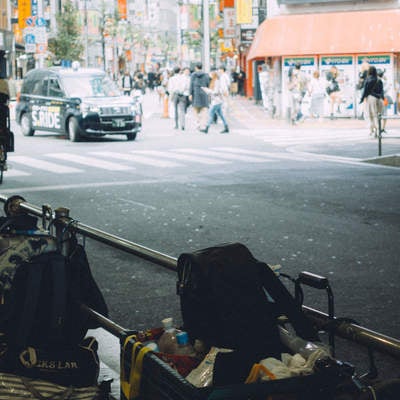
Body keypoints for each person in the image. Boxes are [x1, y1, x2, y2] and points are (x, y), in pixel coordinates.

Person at [200, 70, 229, 134]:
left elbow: (215, 92)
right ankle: (226, 127)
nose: (210, 76)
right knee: (221, 115)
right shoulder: (216, 81)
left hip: (216, 101)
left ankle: (206, 128)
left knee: (210, 113)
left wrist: (207, 90)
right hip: (218, 100)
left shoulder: (216, 82)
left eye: (212, 74)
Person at [360, 65, 384, 137]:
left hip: (371, 98)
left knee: (371, 115)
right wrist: (381, 97)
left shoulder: (368, 79)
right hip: (379, 99)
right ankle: (377, 130)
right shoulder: (379, 80)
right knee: (378, 115)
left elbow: (365, 91)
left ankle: (372, 130)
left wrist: (361, 99)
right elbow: (382, 91)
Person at [189, 62, 210, 131]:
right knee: (204, 110)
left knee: (195, 110)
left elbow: (191, 85)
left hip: (196, 94)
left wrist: (190, 94)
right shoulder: (206, 75)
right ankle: (202, 125)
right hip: (204, 94)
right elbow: (208, 84)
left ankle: (197, 124)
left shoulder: (193, 75)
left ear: (196, 67)